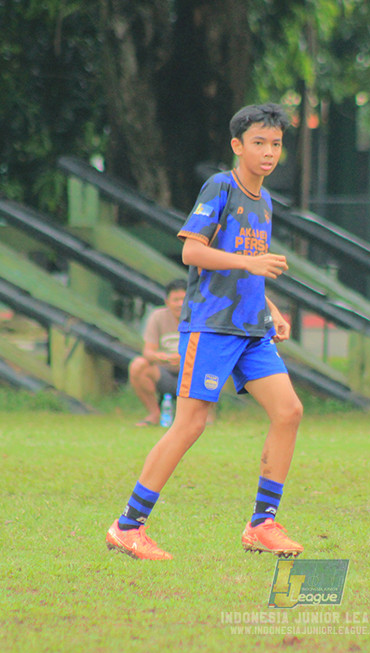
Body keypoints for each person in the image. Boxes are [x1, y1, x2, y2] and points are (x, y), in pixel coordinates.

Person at [106, 103, 305, 561]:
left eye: (275, 144)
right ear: (237, 146)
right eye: (259, 143)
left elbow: (246, 264)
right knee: (191, 423)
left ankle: (262, 524)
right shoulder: (221, 187)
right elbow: (193, 253)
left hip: (251, 329)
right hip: (213, 327)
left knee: (289, 411)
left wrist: (270, 307)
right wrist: (249, 264)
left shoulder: (265, 201)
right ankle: (127, 526)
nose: (269, 152)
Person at [129, 278, 187, 426]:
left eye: (184, 299)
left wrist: (184, 358)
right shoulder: (157, 316)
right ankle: (154, 414)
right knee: (138, 365)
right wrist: (165, 358)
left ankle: (206, 416)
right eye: (176, 300)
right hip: (164, 371)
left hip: (190, 372)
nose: (180, 304)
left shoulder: (199, 318)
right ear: (167, 301)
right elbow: (148, 352)